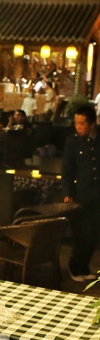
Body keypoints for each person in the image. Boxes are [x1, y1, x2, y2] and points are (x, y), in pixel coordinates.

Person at [62, 104, 100, 282]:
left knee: (93, 234)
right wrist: (68, 192)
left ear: (92, 124)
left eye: (82, 123)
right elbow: (67, 169)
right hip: (80, 194)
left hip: (97, 194)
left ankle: (84, 267)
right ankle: (74, 267)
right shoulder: (73, 142)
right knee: (81, 234)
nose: (78, 127)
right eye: (76, 123)